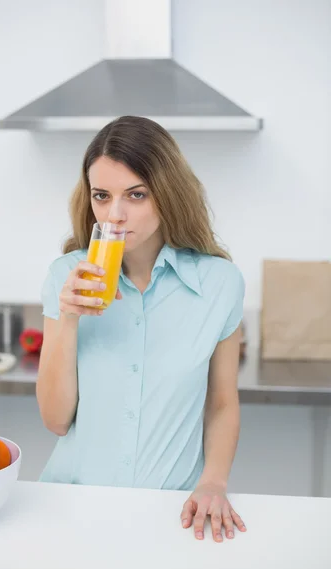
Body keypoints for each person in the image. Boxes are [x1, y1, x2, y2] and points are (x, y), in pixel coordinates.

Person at [36, 115, 247, 543]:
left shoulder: (220, 284)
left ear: (166, 193)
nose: (115, 214)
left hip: (172, 516)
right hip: (71, 509)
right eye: (102, 196)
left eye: (136, 194)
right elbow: (56, 421)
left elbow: (222, 403)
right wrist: (68, 319)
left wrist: (214, 482)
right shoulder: (67, 277)